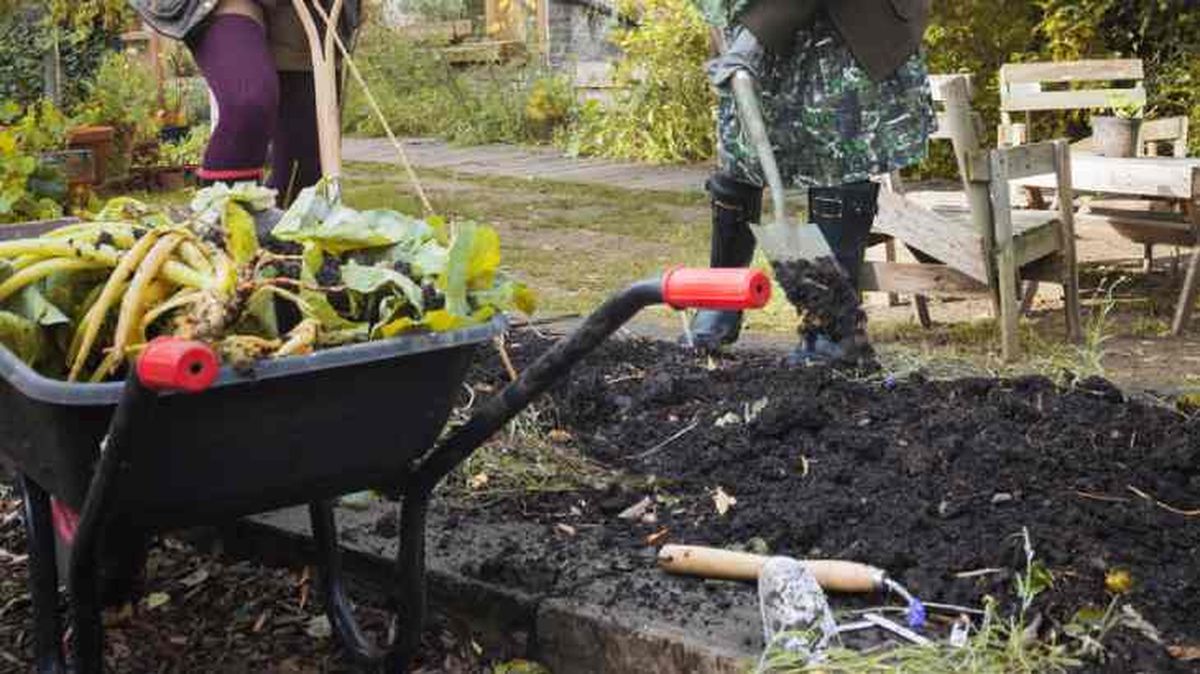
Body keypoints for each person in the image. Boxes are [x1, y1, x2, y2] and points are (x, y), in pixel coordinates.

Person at [687, 0, 935, 363]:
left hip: (845, 27)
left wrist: (755, 37)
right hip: (752, 29)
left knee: (839, 149)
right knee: (740, 152)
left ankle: (833, 330)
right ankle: (721, 296)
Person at [128, 0, 360, 204]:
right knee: (247, 102)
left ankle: (275, 246)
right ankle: (217, 237)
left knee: (304, 169)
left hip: (304, 14)